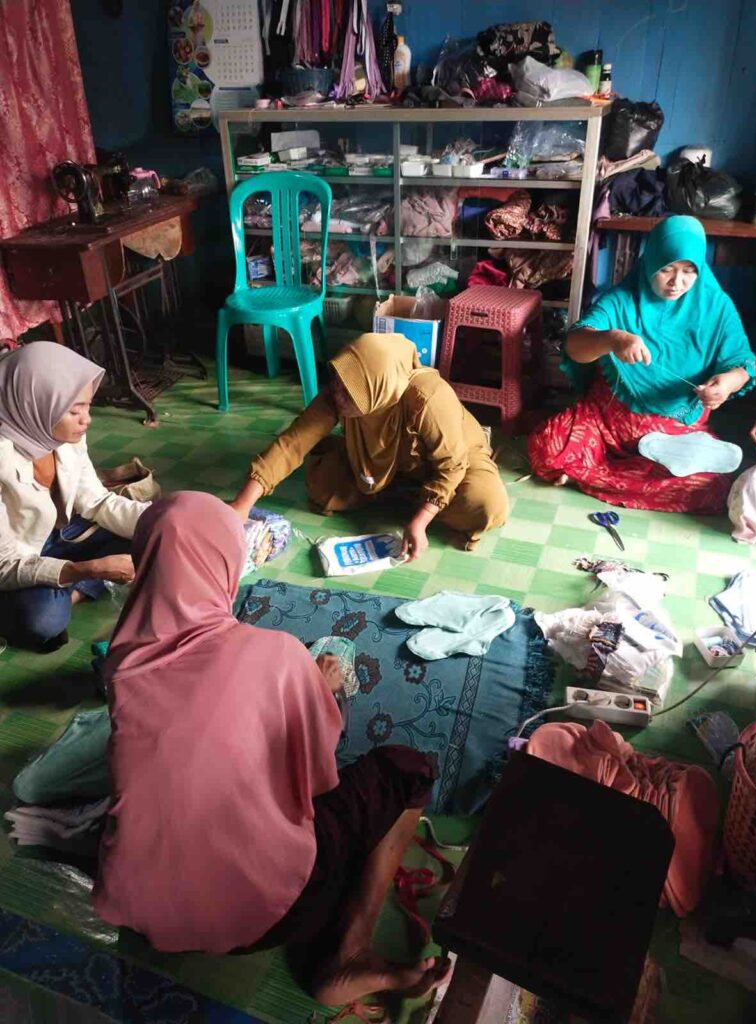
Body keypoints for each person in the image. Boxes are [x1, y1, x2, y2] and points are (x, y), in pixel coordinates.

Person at [93, 491, 445, 1006]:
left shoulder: (123, 666)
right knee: (406, 769)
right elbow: (319, 774)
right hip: (270, 913)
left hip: (146, 919)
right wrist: (319, 689)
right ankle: (349, 954)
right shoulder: (274, 654)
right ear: (226, 564)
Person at [528, 216, 756, 513]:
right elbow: (575, 345)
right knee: (546, 447)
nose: (677, 283)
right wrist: (612, 339)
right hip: (604, 424)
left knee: (712, 486)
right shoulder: (622, 300)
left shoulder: (715, 306)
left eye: (689, 272)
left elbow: (742, 365)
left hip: (677, 437)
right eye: (666, 270)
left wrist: (725, 384)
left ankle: (588, 475)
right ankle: (614, 474)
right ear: (650, 262)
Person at [230, 333, 509, 557]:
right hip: (380, 461)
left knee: (486, 505)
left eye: (347, 394)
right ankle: (397, 491)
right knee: (322, 488)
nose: (337, 395)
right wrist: (241, 506)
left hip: (456, 460)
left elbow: (452, 465)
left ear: (377, 393)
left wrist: (422, 519)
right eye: (337, 384)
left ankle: (410, 498)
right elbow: (292, 442)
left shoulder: (429, 397)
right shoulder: (346, 390)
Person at [0, 342, 149, 651]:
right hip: (15, 556)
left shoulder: (58, 434)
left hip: (59, 534)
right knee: (42, 621)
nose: (87, 419)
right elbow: (4, 563)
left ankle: (68, 590)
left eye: (88, 406)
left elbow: (96, 501)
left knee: (155, 538)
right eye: (74, 410)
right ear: (35, 403)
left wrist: (168, 519)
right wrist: (90, 569)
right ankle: (72, 588)